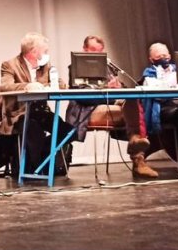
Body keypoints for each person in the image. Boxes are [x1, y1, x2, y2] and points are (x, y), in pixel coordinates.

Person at [64, 35, 158, 178]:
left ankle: (137, 145)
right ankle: (138, 158)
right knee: (136, 114)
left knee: (133, 98)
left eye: (100, 51)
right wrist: (109, 88)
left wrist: (119, 87)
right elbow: (83, 98)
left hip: (111, 106)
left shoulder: (108, 68)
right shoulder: (76, 67)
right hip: (87, 111)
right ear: (84, 49)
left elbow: (120, 92)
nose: (97, 55)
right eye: (93, 50)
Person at [0, 32, 73, 177]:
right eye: (45, 51)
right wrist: (28, 86)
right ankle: (35, 169)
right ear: (33, 51)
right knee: (34, 132)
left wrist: (57, 82)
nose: (47, 54)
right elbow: (5, 87)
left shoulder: (45, 65)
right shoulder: (10, 65)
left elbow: (60, 84)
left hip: (41, 112)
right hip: (20, 114)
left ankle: (44, 160)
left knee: (69, 131)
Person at [137, 42, 178, 173]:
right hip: (165, 108)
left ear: (170, 55)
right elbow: (158, 95)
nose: (163, 58)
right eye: (159, 56)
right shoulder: (149, 74)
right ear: (151, 59)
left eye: (165, 54)